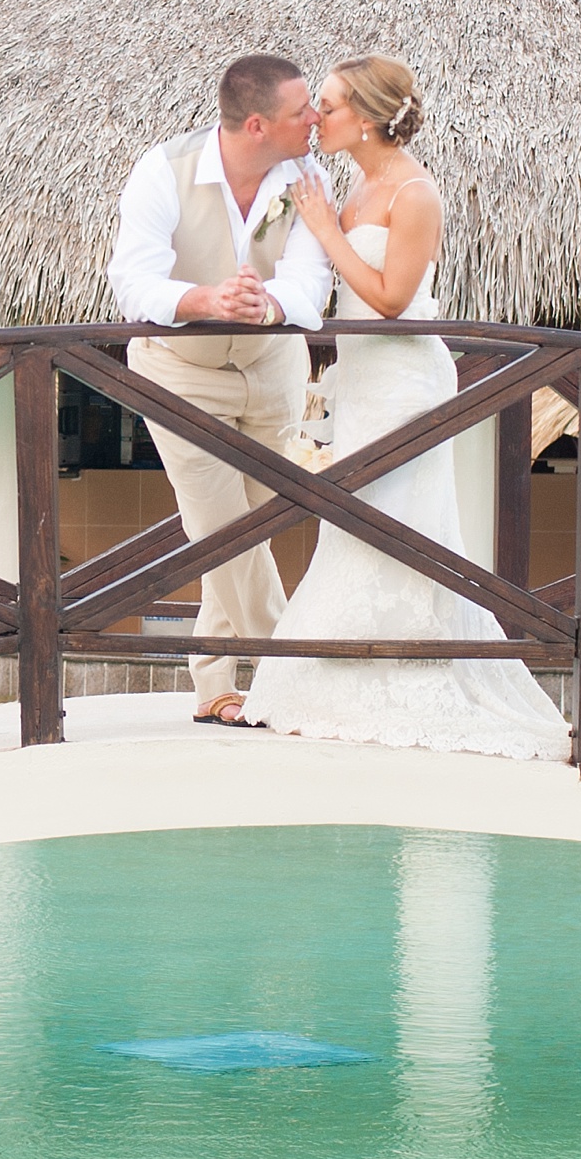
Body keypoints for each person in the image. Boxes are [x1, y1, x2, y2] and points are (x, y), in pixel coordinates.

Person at [242, 56, 569, 759]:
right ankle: (343, 670)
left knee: (402, 523)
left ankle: (414, 664)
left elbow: (392, 299)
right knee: (354, 527)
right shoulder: (353, 189)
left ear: (364, 115)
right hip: (359, 384)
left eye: (327, 106)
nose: (316, 118)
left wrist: (328, 232)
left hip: (405, 383)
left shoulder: (415, 193)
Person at [108, 54, 334, 723]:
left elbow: (309, 281)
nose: (316, 119)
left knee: (243, 530)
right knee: (222, 526)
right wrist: (207, 297)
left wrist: (264, 305)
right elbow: (132, 281)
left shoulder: (305, 178)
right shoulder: (162, 172)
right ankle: (301, 675)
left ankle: (215, 685)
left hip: (273, 372)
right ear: (259, 124)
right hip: (180, 373)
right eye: (303, 111)